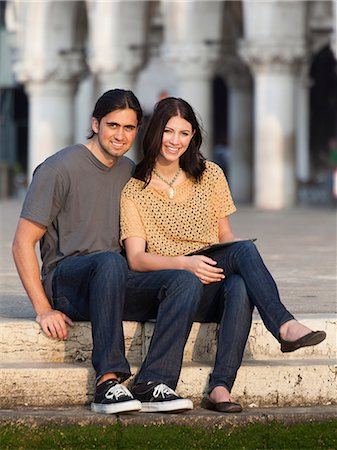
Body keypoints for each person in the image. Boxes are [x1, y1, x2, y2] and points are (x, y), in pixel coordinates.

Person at [120, 97, 327, 413]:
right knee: (242, 262)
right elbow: (136, 258)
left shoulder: (211, 174)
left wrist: (231, 257)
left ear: (193, 137)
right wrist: (185, 264)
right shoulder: (135, 189)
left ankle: (220, 387)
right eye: (168, 131)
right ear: (154, 132)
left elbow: (225, 236)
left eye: (184, 133)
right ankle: (283, 325)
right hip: (172, 285)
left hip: (212, 277)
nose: (175, 141)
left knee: (240, 280)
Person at [12, 89, 205, 415]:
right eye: (113, 125)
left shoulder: (130, 172)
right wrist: (43, 309)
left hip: (113, 280)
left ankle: (153, 383)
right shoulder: (58, 169)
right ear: (95, 124)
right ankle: (107, 382)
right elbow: (21, 243)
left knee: (184, 282)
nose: (120, 135)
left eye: (129, 128)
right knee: (108, 262)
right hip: (68, 283)